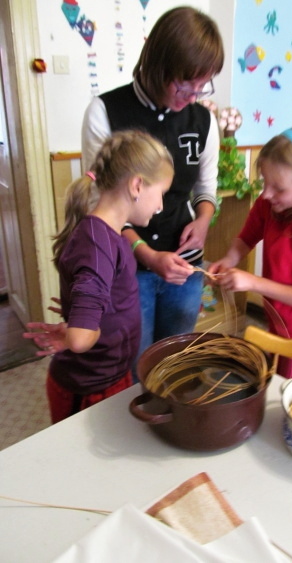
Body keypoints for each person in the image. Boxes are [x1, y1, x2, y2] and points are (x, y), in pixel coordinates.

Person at [81, 7, 225, 358]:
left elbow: (206, 188)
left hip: (185, 266)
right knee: (133, 361)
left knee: (175, 359)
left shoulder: (203, 120)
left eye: (202, 85)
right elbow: (99, 203)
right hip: (127, 266)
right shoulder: (106, 111)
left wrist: (203, 221)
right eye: (185, 83)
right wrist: (145, 253)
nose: (193, 95)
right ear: (158, 65)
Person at [23, 130, 174, 422]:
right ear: (137, 185)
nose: (161, 206)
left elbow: (101, 297)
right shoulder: (98, 245)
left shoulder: (108, 235)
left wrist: (83, 317)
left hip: (110, 375)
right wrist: (76, 331)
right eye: (161, 194)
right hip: (89, 388)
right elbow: (81, 340)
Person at [208, 126, 292, 377]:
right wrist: (229, 259)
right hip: (281, 324)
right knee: (276, 380)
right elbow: (246, 238)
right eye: (264, 183)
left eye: (278, 188)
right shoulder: (269, 204)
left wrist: (253, 282)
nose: (267, 194)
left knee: (290, 392)